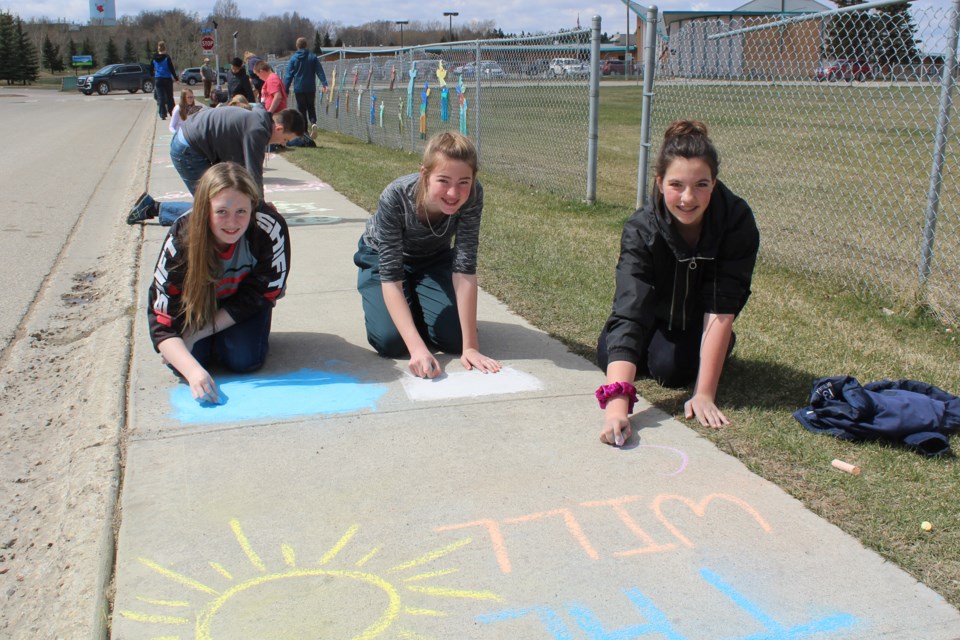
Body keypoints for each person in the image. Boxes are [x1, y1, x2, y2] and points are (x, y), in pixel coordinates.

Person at [596, 120, 760, 446]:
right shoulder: (641, 229)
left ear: (714, 184)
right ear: (658, 182)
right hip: (653, 315)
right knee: (609, 351)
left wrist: (704, 394)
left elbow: (723, 306)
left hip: (703, 321)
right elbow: (630, 309)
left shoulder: (736, 221)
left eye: (701, 184)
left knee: (670, 369)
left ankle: (716, 347)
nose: (688, 198)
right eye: (676, 185)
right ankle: (658, 349)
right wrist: (617, 407)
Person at [354, 131, 501, 379]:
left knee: (454, 340)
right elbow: (391, 277)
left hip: (432, 258)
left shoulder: (473, 194)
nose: (454, 193)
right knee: (391, 343)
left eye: (463, 182)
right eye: (443, 180)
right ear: (425, 174)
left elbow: (464, 266)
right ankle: (408, 309)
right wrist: (418, 349)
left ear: (473, 178)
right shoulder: (396, 196)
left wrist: (470, 347)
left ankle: (417, 303)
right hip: (381, 257)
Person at [147, 162, 291, 404]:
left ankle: (220, 339)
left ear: (252, 207)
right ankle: (210, 344)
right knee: (187, 363)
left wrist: (199, 332)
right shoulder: (182, 238)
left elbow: (265, 292)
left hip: (241, 305)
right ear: (205, 209)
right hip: (196, 307)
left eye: (241, 212)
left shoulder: (268, 229)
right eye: (221, 211)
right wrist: (193, 372)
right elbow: (161, 320)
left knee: (244, 360)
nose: (232, 222)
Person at [127, 107, 305, 225]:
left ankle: (152, 207)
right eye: (286, 140)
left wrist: (254, 205)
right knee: (214, 211)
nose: (283, 144)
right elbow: (253, 175)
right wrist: (260, 209)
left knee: (224, 206)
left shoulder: (258, 119)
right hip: (188, 150)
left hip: (191, 143)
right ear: (279, 128)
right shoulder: (257, 131)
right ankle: (152, 208)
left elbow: (239, 173)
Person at [283, 37, 328, 138]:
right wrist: (324, 83)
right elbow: (319, 71)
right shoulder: (312, 57)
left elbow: (288, 75)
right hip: (310, 87)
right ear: (306, 45)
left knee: (301, 109)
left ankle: (304, 131)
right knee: (311, 107)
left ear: (297, 46)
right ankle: (313, 123)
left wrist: (285, 89)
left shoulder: (293, 59)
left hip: (299, 88)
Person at [152, 41, 179, 120]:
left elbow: (150, 68)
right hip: (167, 79)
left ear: (158, 49)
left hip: (158, 79)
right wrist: (176, 78)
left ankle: (162, 114)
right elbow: (171, 69)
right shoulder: (167, 58)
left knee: (161, 97)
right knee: (170, 97)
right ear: (165, 48)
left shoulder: (154, 58)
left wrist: (153, 73)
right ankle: (172, 112)